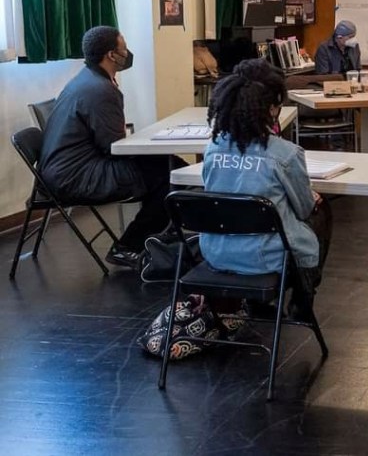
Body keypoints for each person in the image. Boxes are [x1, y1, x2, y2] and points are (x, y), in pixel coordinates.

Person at [38, 26, 182, 269]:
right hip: (76, 176)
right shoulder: (100, 90)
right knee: (170, 177)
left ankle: (156, 234)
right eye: (123, 48)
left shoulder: (88, 79)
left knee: (168, 165)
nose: (127, 53)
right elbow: (113, 146)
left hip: (66, 169)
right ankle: (129, 246)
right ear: (110, 55)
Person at [201, 59, 332, 317]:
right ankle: (304, 297)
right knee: (321, 210)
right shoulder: (285, 154)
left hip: (215, 251)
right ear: (272, 109)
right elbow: (304, 209)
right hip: (265, 258)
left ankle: (258, 303)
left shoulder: (212, 149)